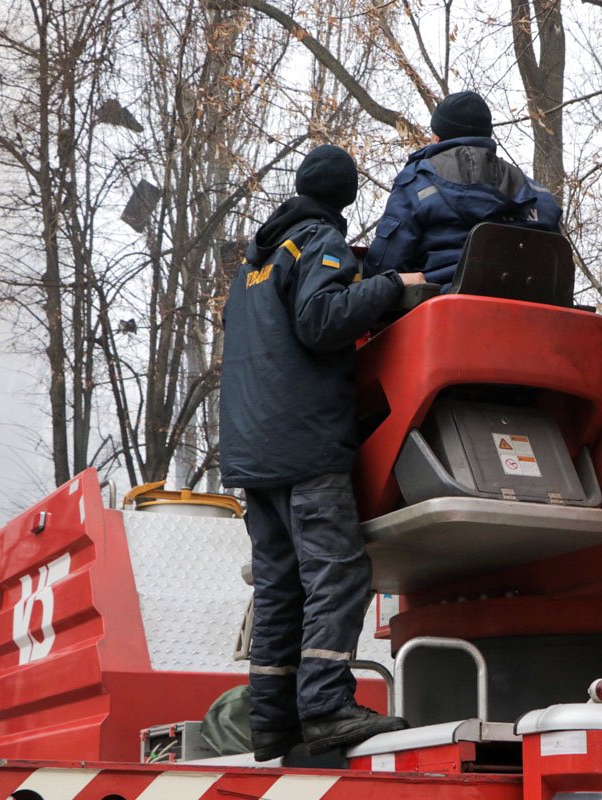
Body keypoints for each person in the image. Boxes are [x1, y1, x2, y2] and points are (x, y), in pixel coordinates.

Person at [219, 144, 421, 761]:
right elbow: (319, 319)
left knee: (282, 587)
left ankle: (273, 721)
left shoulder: (253, 264)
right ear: (347, 195)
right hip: (306, 446)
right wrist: (390, 285)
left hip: (255, 454)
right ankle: (328, 707)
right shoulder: (320, 240)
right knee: (337, 573)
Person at [364, 91, 563, 289]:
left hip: (443, 311)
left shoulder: (416, 183)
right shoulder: (537, 194)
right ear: (486, 135)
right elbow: (557, 265)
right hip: (534, 312)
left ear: (436, 138)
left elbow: (384, 267)